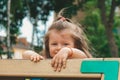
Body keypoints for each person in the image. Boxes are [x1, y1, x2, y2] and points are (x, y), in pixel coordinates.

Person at [22, 11, 92, 72]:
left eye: (66, 44)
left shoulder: (78, 59)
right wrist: (33, 55)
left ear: (76, 45)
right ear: (47, 45)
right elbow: (25, 54)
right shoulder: (45, 60)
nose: (59, 48)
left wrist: (68, 51)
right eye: (54, 44)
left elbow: (83, 57)